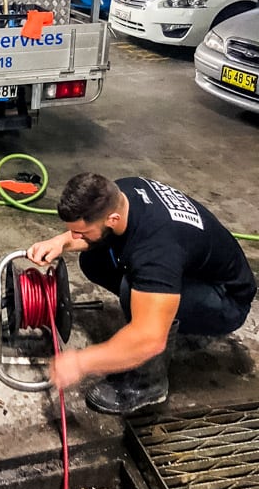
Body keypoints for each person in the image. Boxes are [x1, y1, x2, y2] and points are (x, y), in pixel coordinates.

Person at [27, 173, 256, 415]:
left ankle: (148, 385)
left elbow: (150, 339)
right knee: (94, 260)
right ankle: (154, 308)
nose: (74, 237)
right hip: (195, 269)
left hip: (227, 300)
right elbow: (99, 235)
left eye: (81, 232)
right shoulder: (122, 191)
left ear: (112, 219)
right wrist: (59, 242)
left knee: (134, 293)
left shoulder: (156, 250)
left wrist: (79, 362)